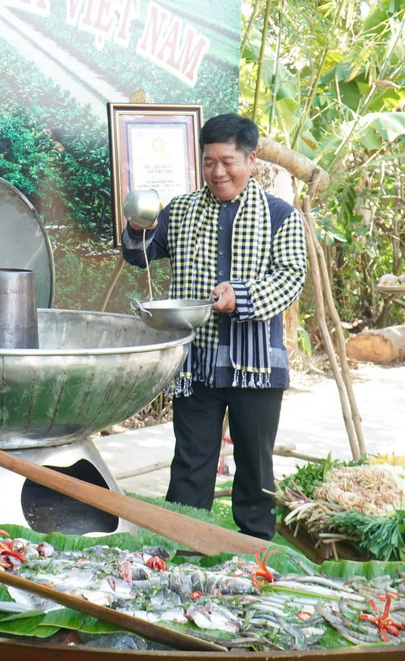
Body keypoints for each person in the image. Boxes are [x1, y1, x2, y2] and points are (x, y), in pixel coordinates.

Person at [121, 113, 307, 539]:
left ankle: (255, 554)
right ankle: (182, 549)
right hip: (197, 364)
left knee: (255, 469)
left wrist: (240, 296)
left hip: (256, 366)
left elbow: (291, 277)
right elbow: (139, 254)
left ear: (251, 160)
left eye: (228, 161)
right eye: (209, 162)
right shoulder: (181, 211)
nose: (217, 172)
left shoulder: (280, 215)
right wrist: (137, 224)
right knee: (190, 465)